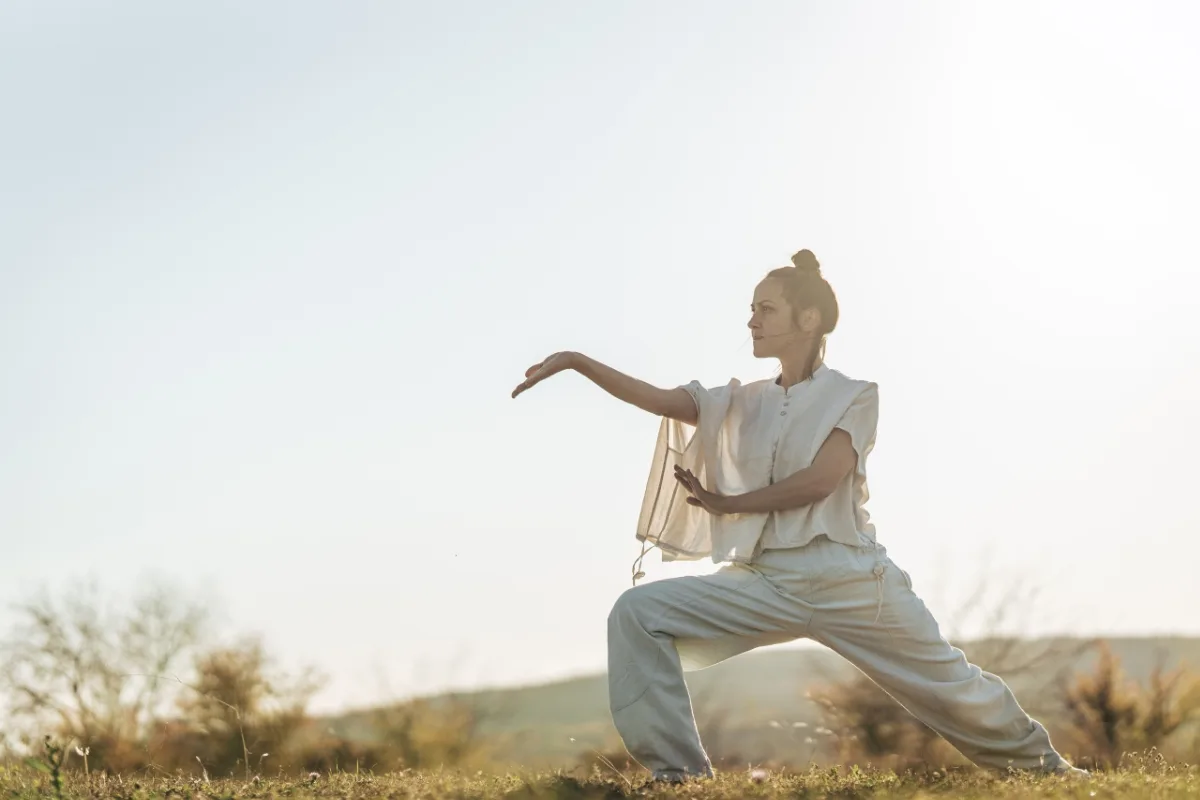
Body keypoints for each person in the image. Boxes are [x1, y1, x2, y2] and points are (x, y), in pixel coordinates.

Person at [511, 249, 1086, 782]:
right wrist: (575, 362)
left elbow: (820, 481)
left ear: (809, 320)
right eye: (751, 310)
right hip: (768, 580)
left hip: (851, 581)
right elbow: (662, 400)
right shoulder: (743, 399)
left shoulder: (855, 394)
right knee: (638, 613)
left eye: (766, 309)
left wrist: (729, 504)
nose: (752, 321)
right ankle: (679, 778)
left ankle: (1049, 772)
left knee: (949, 685)